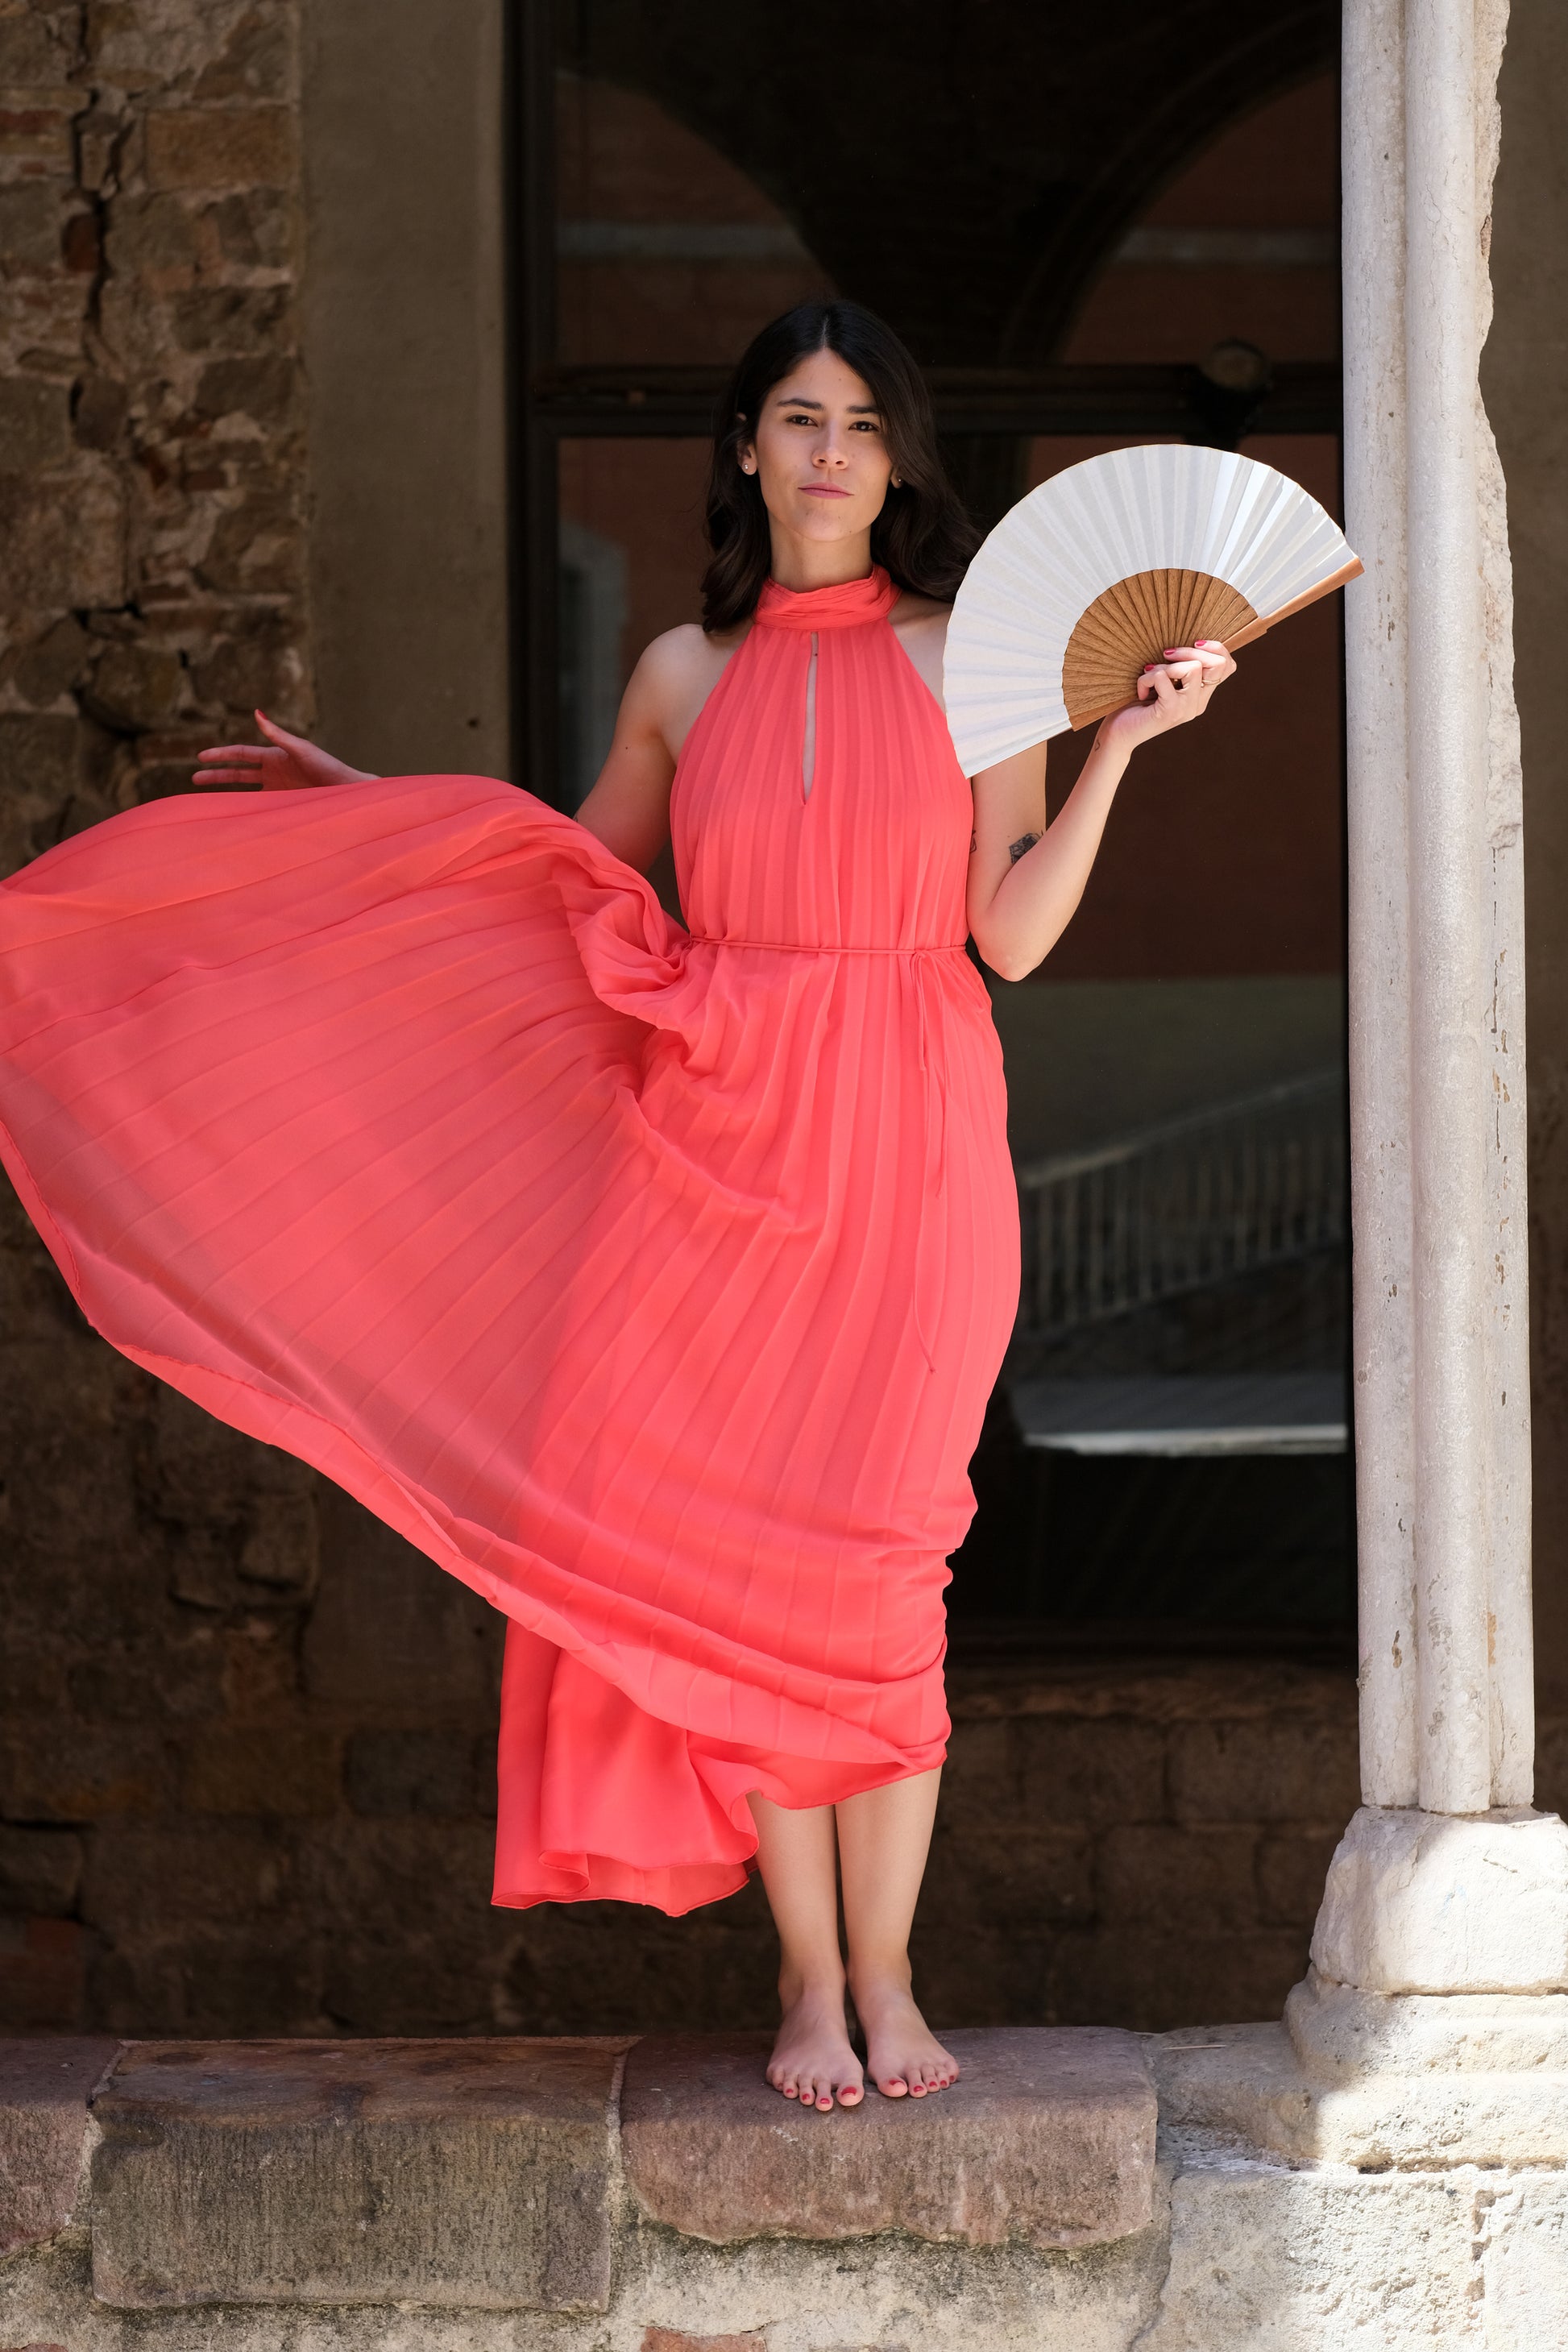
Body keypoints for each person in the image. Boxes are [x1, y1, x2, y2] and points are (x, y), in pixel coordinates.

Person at [0, 301, 1234, 2114]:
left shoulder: (981, 655)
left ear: (900, 461)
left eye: (865, 424)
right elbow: (560, 885)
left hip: (909, 1135)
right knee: (738, 1563)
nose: (832, 451)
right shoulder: (680, 667)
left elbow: (1009, 934)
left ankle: (894, 1973)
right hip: (710, 1141)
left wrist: (1119, 742)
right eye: (798, 417)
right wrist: (364, 821)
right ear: (743, 447)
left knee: (889, 1562)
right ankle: (811, 1982)